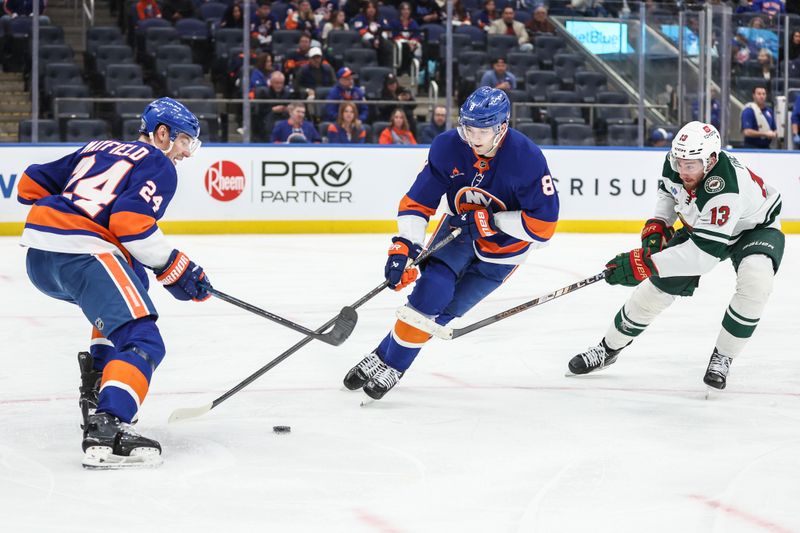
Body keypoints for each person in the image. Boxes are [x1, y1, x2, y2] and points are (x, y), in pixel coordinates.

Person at [16, 98, 210, 468]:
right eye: (185, 141)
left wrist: (72, 209)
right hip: (82, 252)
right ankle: (109, 423)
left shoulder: (97, 146)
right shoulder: (158, 163)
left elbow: (28, 183)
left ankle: (95, 391)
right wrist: (179, 268)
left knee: (133, 281)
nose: (186, 152)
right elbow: (129, 224)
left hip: (40, 258)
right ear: (162, 133)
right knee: (143, 339)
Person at [343, 87, 559, 400]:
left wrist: (491, 221)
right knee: (430, 294)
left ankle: (383, 356)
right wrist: (405, 246)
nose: (472, 137)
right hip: (457, 233)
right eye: (468, 128)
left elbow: (543, 226)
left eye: (481, 130)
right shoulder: (448, 146)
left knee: (444, 313)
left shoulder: (526, 159)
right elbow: (418, 202)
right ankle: (396, 365)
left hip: (504, 253)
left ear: (501, 127)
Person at [566, 121, 784, 393]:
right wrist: (658, 224)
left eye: (690, 165)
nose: (682, 170)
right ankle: (607, 349)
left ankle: (723, 356)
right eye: (679, 161)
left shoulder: (725, 187)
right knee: (654, 291)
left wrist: (645, 264)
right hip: (703, 227)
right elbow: (668, 194)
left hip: (754, 229)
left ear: (711, 160)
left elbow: (703, 256)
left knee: (756, 282)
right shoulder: (677, 162)